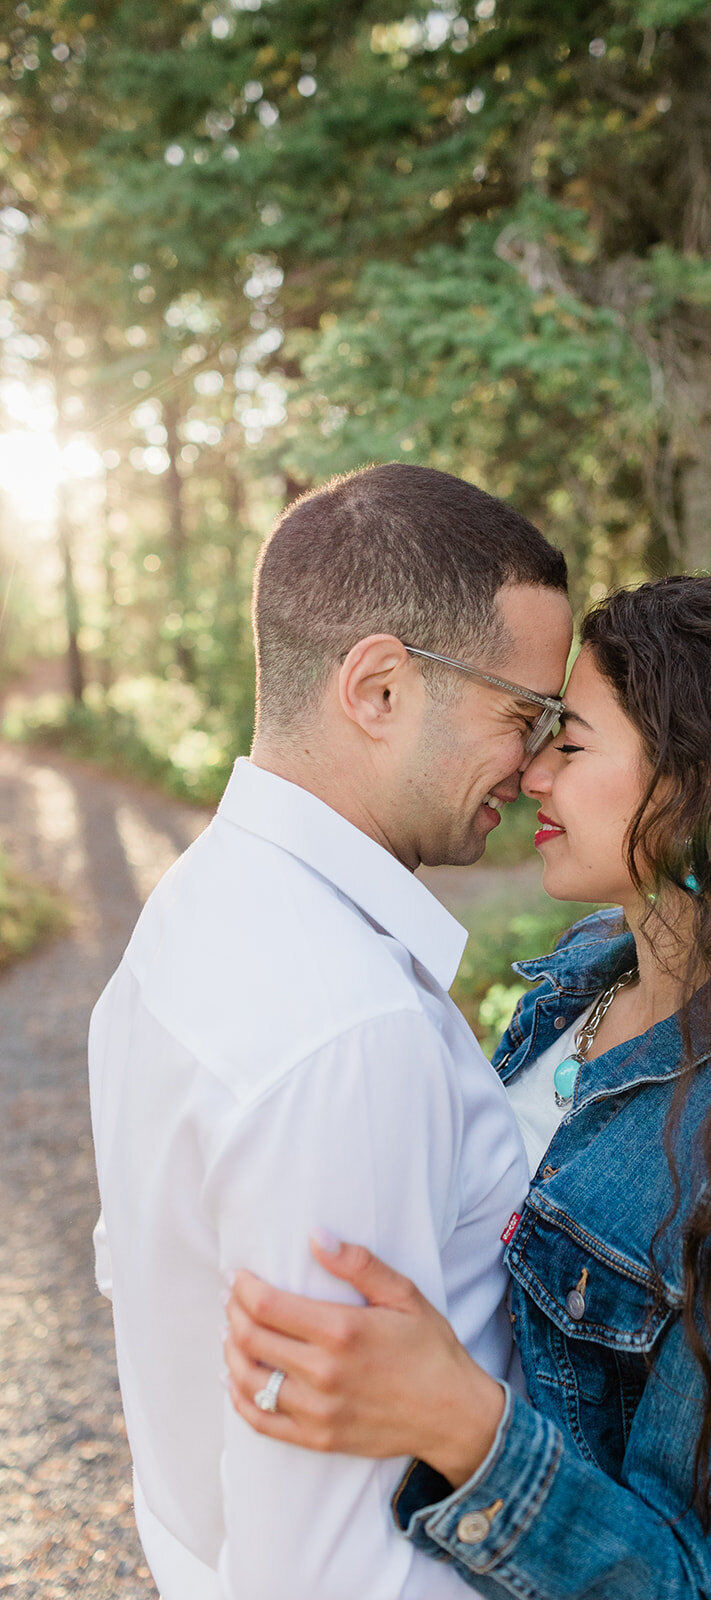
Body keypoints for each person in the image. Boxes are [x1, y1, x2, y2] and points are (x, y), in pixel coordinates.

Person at [224, 574, 711, 1600]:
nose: (530, 771)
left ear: (699, 789)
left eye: (570, 745)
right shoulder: (586, 968)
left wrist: (457, 1421)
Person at [87, 463, 575, 1600]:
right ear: (380, 688)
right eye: (523, 714)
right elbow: (334, 1562)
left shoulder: (198, 906)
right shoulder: (345, 1028)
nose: (540, 761)